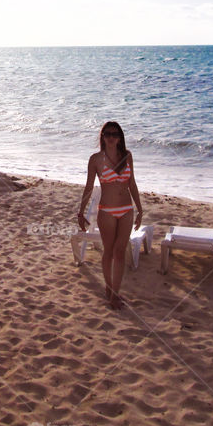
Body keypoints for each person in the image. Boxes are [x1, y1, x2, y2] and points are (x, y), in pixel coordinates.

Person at [78, 121, 144, 310]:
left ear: (120, 137)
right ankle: (110, 291)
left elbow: (132, 185)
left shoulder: (127, 156)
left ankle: (115, 291)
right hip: (106, 210)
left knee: (120, 251)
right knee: (109, 250)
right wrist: (81, 212)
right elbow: (89, 187)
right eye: (107, 134)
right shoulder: (96, 159)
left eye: (115, 134)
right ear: (102, 136)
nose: (111, 137)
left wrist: (140, 209)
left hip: (126, 210)